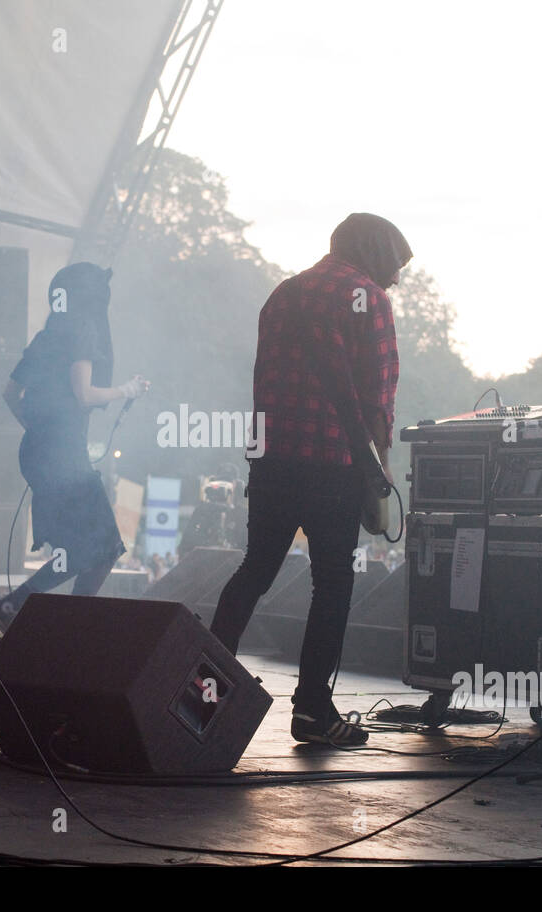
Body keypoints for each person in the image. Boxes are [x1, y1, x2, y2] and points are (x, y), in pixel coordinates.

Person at [209, 213, 411, 746]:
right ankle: (313, 713)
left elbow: (262, 378)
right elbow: (377, 395)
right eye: (394, 266)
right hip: (332, 464)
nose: (394, 279)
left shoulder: (285, 292)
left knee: (254, 570)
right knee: (334, 582)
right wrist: (381, 469)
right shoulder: (368, 296)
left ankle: (199, 686)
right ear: (375, 253)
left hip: (273, 459)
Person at [0, 262, 148, 630]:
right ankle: (52, 621)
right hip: (63, 456)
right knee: (104, 547)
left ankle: (20, 609)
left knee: (87, 549)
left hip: (39, 452)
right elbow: (84, 394)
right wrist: (128, 390)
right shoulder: (84, 329)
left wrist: (41, 428)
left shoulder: (47, 335)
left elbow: (10, 394)